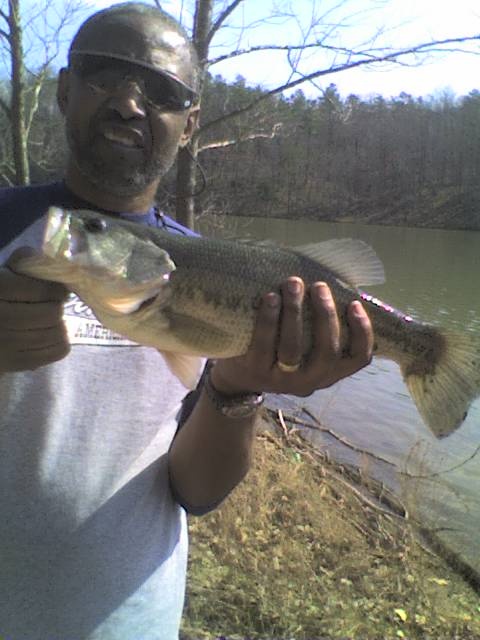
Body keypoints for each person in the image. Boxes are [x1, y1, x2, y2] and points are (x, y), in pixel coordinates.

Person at [0, 2, 374, 639]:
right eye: (102, 75)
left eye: (162, 92)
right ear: (64, 89)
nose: (127, 103)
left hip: (134, 620)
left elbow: (194, 490)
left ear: (190, 124)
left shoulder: (212, 272)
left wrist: (235, 389)